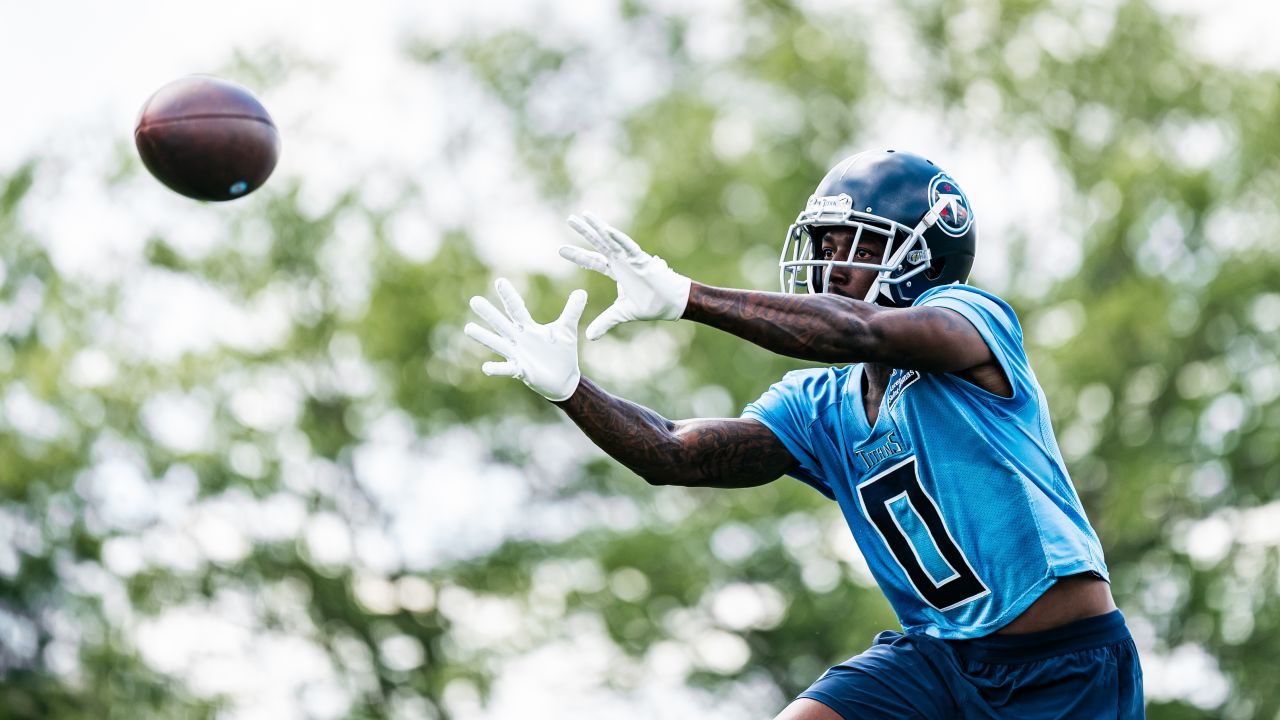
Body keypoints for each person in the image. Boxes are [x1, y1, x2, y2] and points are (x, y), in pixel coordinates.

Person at [464, 149, 1144, 718]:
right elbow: (673, 453)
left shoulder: (969, 321)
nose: (838, 263)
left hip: (1063, 662)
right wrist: (570, 391)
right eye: (828, 243)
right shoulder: (823, 404)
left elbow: (859, 328)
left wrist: (688, 298)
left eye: (863, 244)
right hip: (939, 657)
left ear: (926, 255)